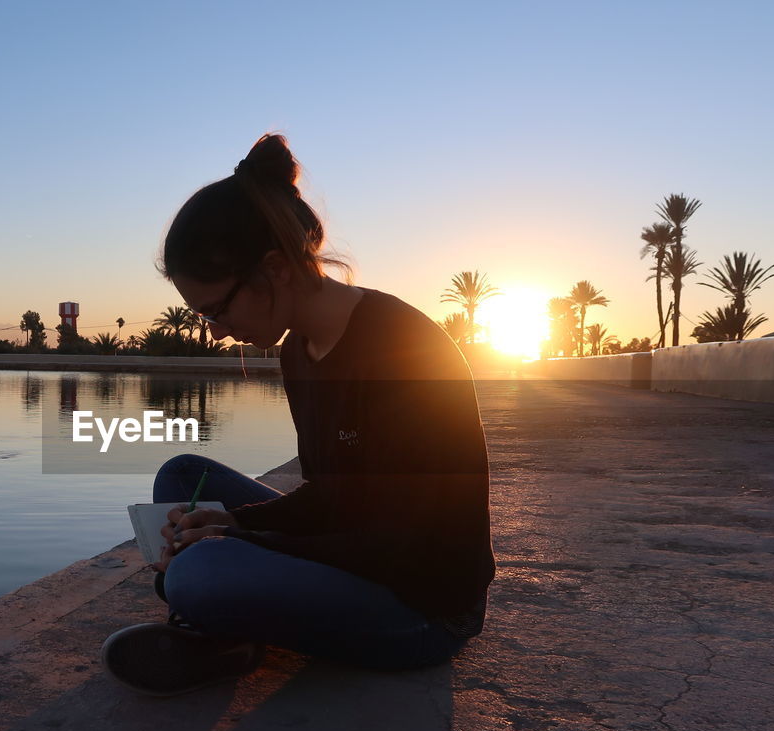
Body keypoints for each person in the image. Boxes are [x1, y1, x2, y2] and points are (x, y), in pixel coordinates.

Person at [100, 134, 496, 696]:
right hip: (361, 547)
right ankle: (224, 627)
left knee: (199, 573)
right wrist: (240, 524)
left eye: (217, 309)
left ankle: (217, 623)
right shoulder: (298, 348)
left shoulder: (403, 348)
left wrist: (247, 542)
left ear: (275, 270)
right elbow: (332, 495)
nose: (215, 331)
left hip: (423, 604)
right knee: (184, 478)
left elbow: (409, 546)